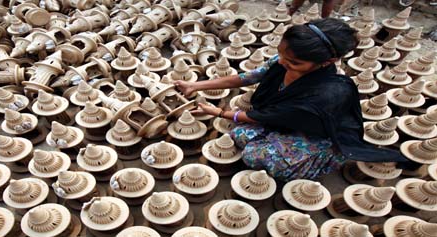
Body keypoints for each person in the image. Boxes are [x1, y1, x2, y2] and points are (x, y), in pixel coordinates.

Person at [174, 18, 410, 181]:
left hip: (319, 134)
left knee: (254, 155)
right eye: (282, 54)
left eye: (294, 62)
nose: (282, 62)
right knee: (238, 134)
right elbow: (247, 77)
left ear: (326, 62)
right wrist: (195, 84)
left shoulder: (325, 94)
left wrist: (218, 113)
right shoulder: (283, 61)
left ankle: (322, 161)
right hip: (286, 119)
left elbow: (261, 116)